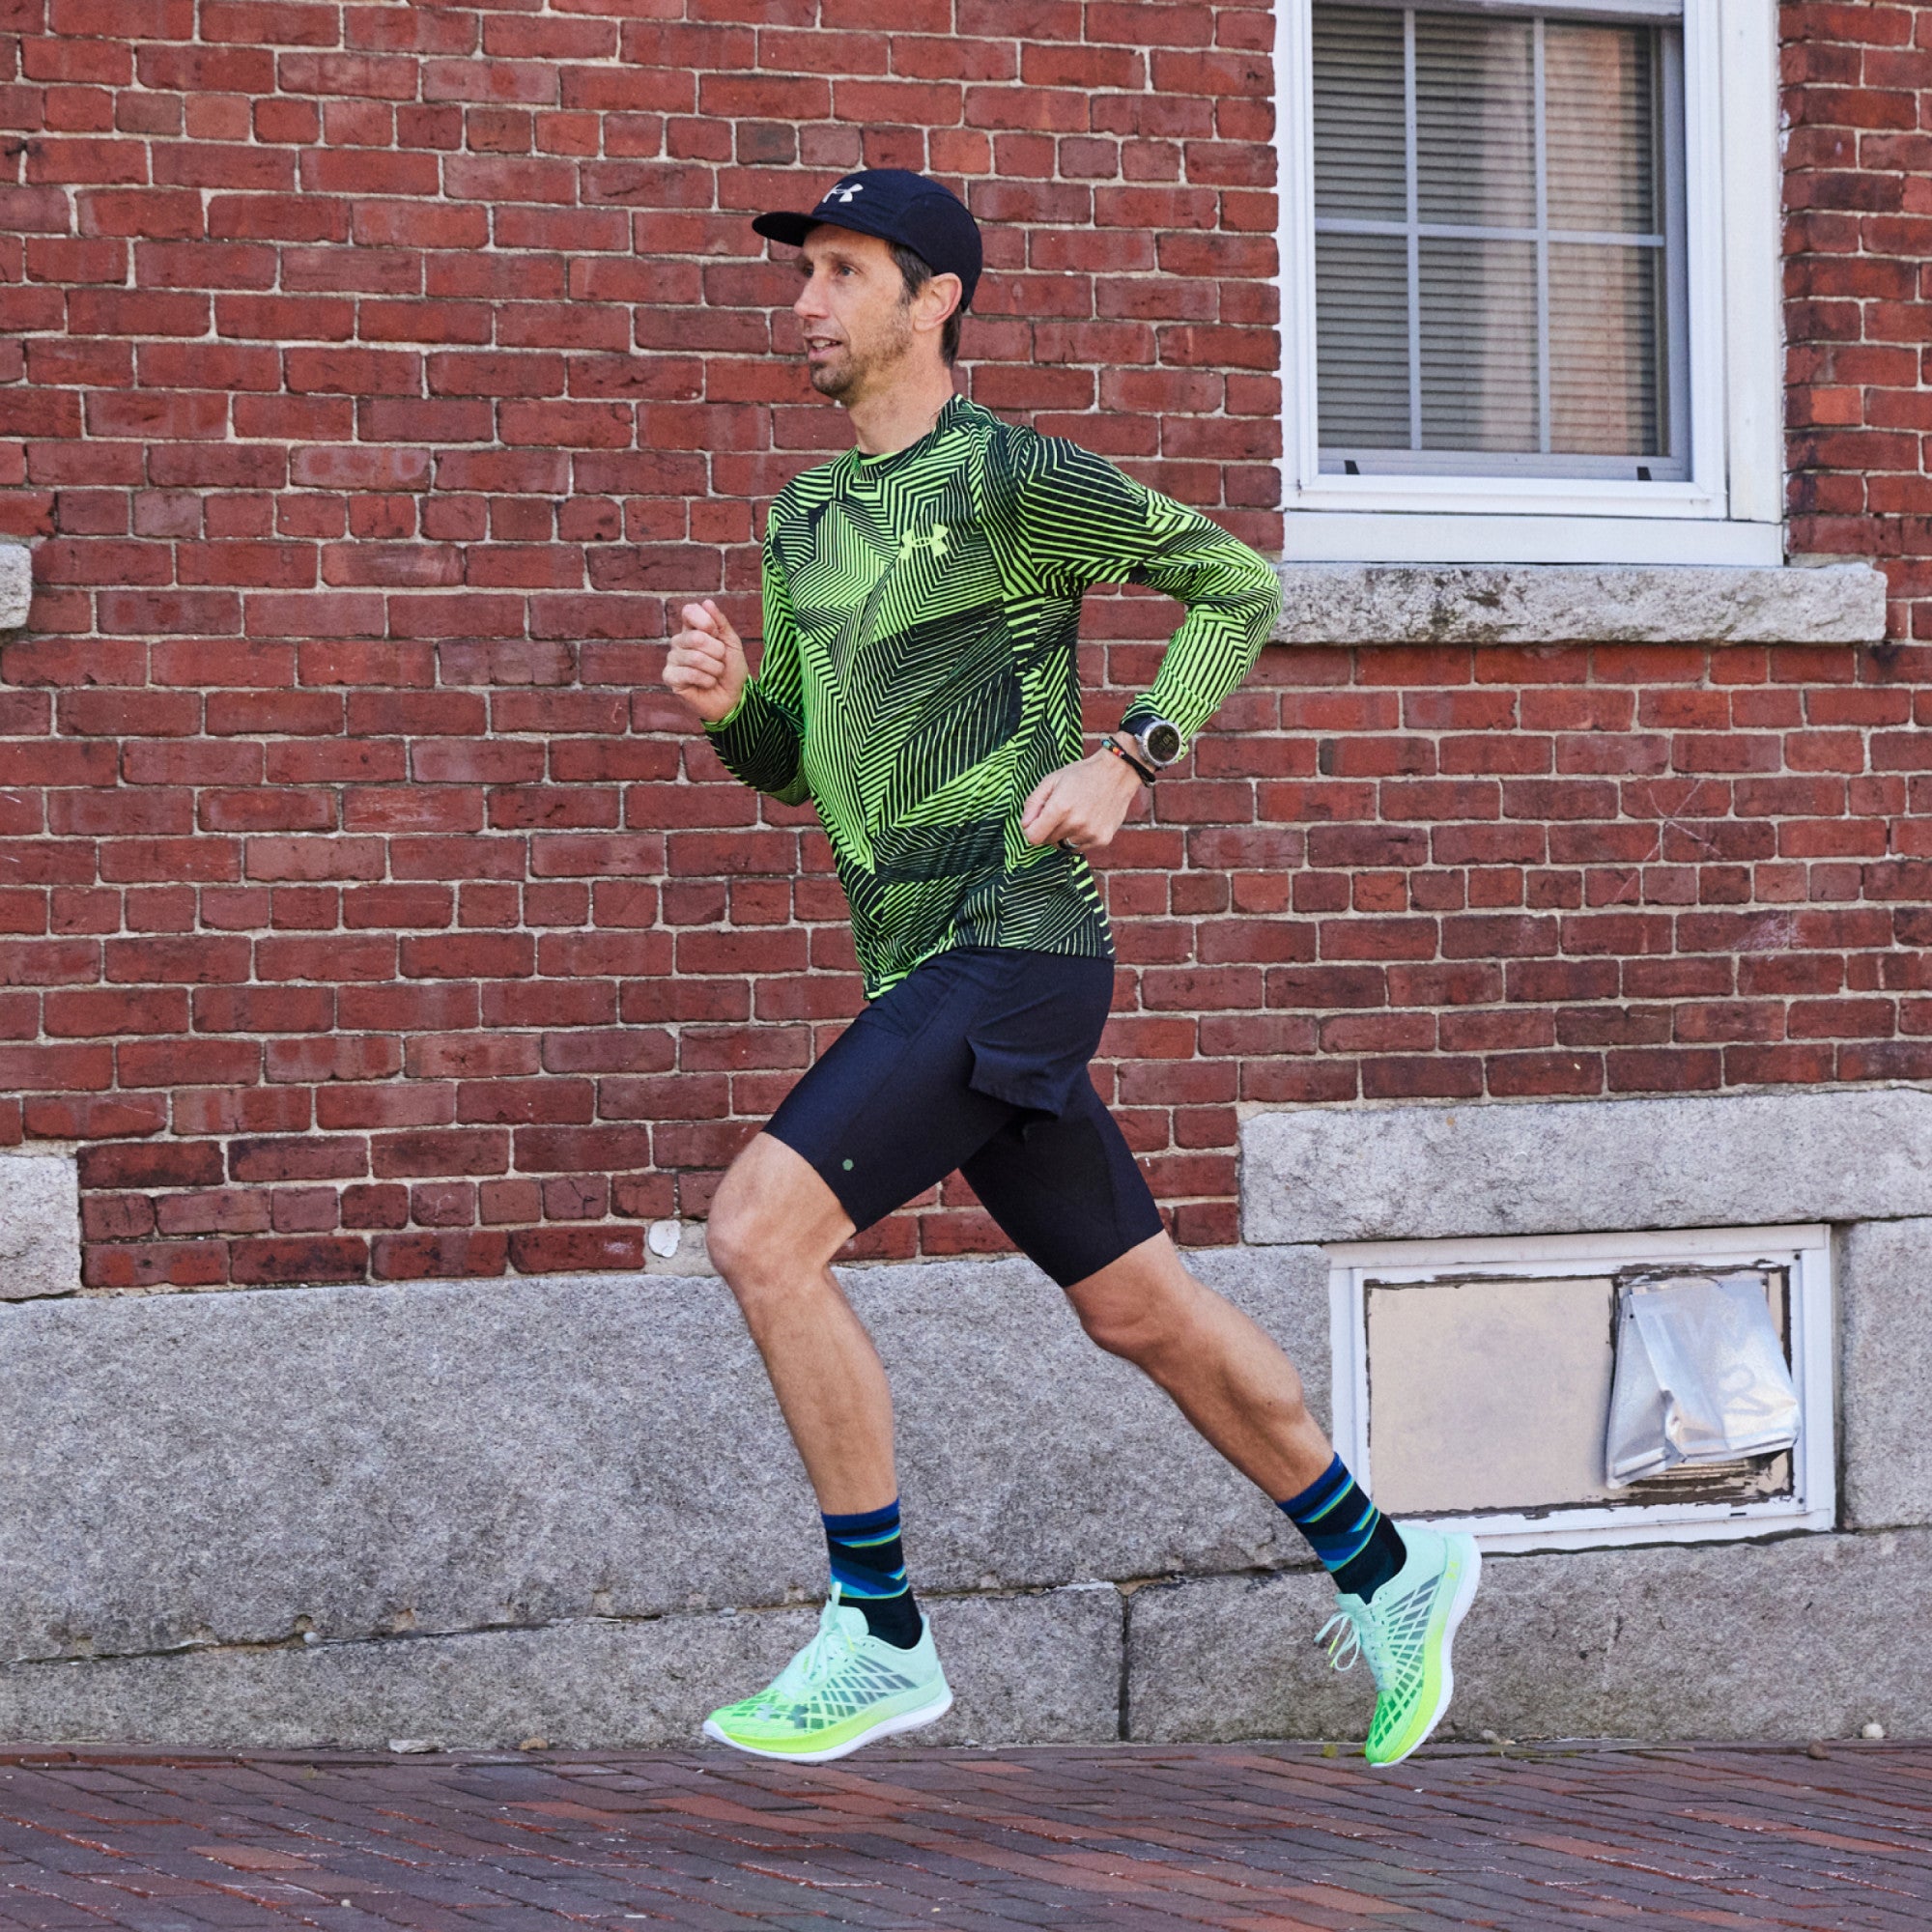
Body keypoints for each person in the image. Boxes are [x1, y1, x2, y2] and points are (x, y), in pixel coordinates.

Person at [662, 169, 1479, 1769]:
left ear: (936, 299)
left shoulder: (1014, 477)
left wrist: (1132, 756)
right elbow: (797, 768)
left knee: (758, 1232)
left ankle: (879, 1634)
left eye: (841, 273)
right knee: (1139, 1309)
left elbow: (1237, 584)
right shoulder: (804, 518)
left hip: (1017, 941)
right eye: (802, 275)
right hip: (921, 962)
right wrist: (731, 706)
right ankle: (1392, 1569)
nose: (805, 305)